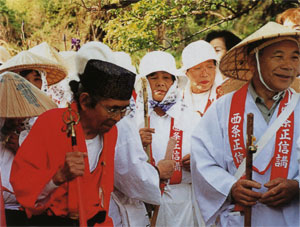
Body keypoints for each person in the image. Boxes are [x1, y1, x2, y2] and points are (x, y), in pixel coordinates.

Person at [191, 22, 300, 226]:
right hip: (239, 219)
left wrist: (297, 186)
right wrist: (230, 187)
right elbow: (202, 159)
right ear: (253, 61)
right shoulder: (222, 109)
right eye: (278, 56)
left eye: (295, 56)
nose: (288, 65)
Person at [10, 59, 136, 226]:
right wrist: (57, 178)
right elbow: (22, 188)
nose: (118, 117)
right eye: (112, 109)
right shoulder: (50, 123)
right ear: (85, 101)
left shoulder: (110, 131)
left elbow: (103, 192)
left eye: (123, 109)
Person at [135, 50, 201, 226]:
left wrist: (197, 160)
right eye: (153, 77)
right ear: (143, 82)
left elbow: (211, 157)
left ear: (174, 82)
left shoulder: (191, 117)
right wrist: (136, 143)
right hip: (142, 202)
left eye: (166, 77)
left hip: (183, 202)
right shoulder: (131, 119)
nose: (160, 83)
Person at [180, 40, 223, 127]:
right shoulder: (178, 99)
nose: (204, 74)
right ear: (186, 72)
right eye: (198, 68)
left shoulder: (224, 96)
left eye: (210, 67)